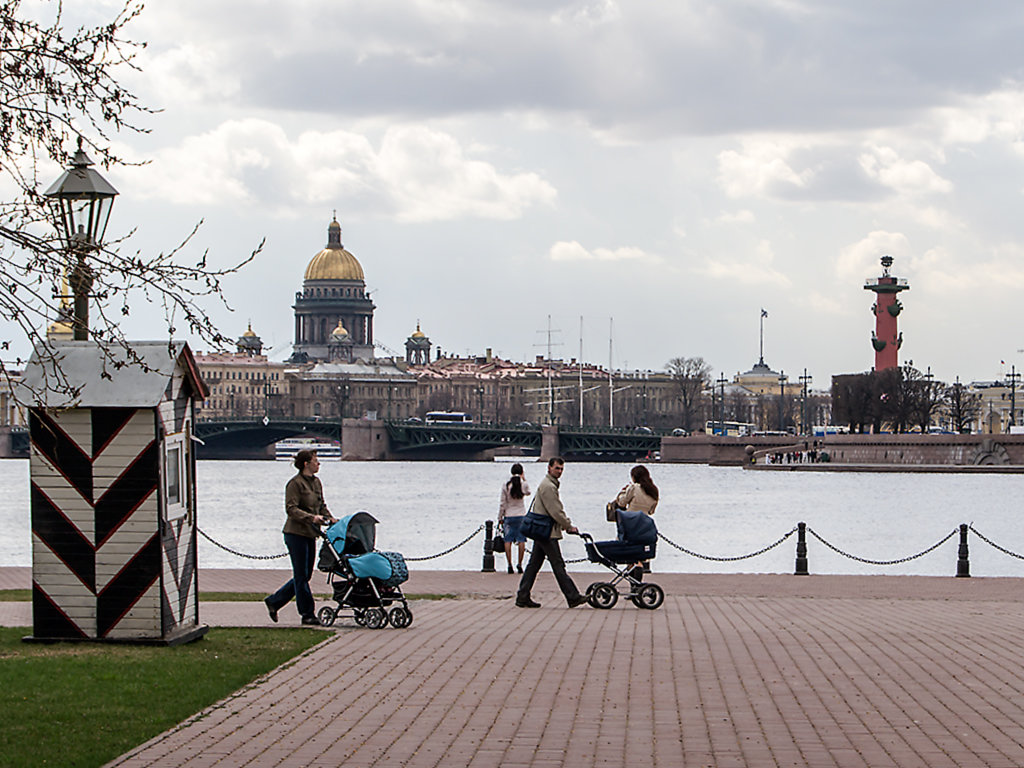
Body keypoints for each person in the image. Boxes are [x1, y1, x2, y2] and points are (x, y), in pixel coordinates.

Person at [265, 449, 336, 626]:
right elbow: (291, 509)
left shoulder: (316, 482)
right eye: (315, 460)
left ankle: (274, 601)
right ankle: (307, 613)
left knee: (305, 575)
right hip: (295, 534)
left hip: (311, 534)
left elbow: (321, 505)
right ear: (306, 464)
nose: (318, 464)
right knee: (301, 575)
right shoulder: (295, 484)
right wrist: (311, 518)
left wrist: (331, 518)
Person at [515, 456, 587, 609]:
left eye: (561, 469)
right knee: (558, 564)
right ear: (549, 468)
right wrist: (568, 526)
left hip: (542, 531)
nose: (559, 471)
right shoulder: (548, 486)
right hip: (547, 532)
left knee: (534, 565)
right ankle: (572, 596)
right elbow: (555, 511)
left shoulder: (549, 484)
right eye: (557, 468)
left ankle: (522, 596)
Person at [612, 464, 659, 583]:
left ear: (634, 477)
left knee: (630, 558)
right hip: (645, 526)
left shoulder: (633, 488)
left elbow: (622, 503)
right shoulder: (654, 491)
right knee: (639, 556)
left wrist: (622, 492)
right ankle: (636, 586)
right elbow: (651, 511)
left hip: (630, 524)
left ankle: (634, 585)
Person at [498, 463, 531, 574]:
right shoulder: (523, 485)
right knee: (521, 540)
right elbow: (528, 492)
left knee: (508, 540)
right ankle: (520, 564)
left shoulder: (506, 485)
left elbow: (503, 503)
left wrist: (500, 517)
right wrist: (524, 479)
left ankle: (509, 565)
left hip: (509, 515)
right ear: (522, 472)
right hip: (521, 514)